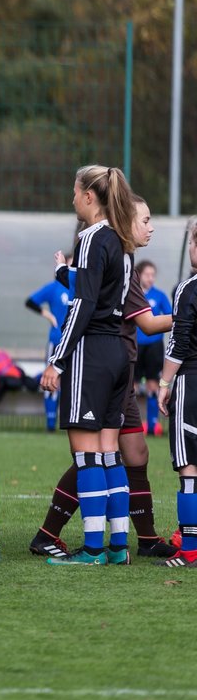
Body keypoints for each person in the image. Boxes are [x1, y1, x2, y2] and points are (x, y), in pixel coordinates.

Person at [30, 195, 177, 560]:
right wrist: (186, 316)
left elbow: (81, 287)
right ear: (124, 221)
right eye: (144, 219)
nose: (151, 226)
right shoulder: (120, 268)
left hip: (114, 371)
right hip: (108, 368)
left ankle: (127, 543)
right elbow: (146, 322)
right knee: (97, 454)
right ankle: (71, 538)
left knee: (122, 454)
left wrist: (64, 273)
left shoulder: (117, 261)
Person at [40, 165, 137, 566]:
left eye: (75, 191)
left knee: (86, 456)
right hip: (117, 350)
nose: (72, 198)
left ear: (89, 197)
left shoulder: (91, 237)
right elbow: (97, 287)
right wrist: (68, 272)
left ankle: (93, 549)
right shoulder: (121, 240)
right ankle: (117, 548)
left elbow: (83, 303)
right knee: (109, 453)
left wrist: (57, 361)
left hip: (92, 352)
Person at [157, 219, 197, 566]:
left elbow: (180, 341)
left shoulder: (188, 288)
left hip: (193, 382)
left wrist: (165, 384)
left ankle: (189, 550)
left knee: (189, 468)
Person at [24, 262, 75, 431]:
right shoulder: (54, 287)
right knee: (51, 379)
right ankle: (51, 423)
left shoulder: (81, 286)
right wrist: (48, 315)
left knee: (74, 381)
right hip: (57, 340)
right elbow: (30, 302)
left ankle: (74, 422)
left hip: (75, 342)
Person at [136, 259, 171, 435]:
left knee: (152, 385)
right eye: (147, 274)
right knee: (131, 386)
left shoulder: (159, 296)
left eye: (153, 275)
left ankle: (151, 426)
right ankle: (131, 425)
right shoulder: (133, 294)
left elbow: (172, 317)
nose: (150, 278)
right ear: (139, 275)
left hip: (154, 347)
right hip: (134, 346)